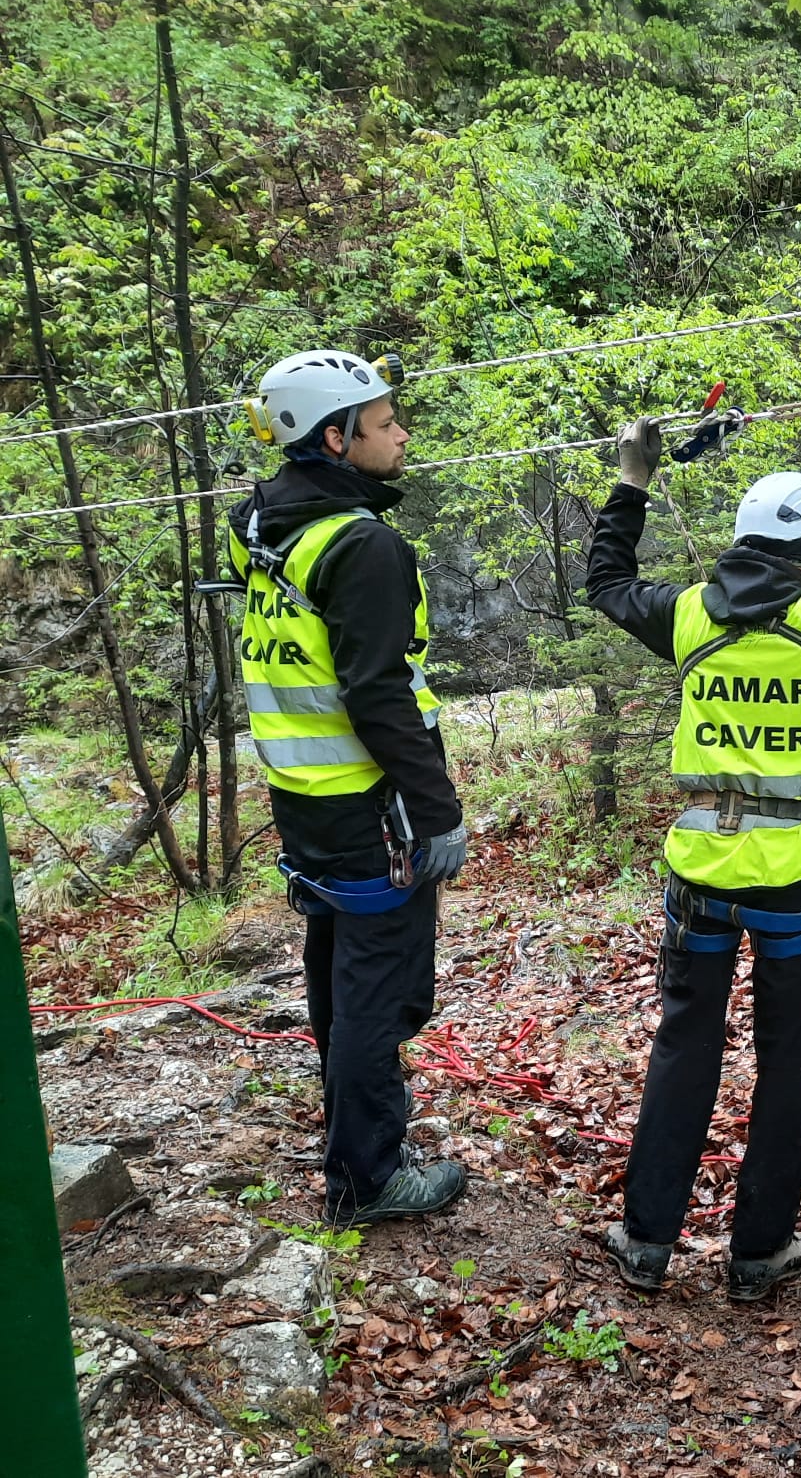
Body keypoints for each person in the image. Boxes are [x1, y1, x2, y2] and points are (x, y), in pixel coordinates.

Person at [585, 402, 801, 1301]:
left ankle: (647, 1240)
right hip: (799, 880)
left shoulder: (689, 613)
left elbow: (608, 580)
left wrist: (632, 479)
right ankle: (759, 1253)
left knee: (684, 1043)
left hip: (700, 867)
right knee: (787, 1059)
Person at [229, 349, 469, 1228]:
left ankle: (356, 1145)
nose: (401, 434)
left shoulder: (266, 524)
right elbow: (378, 692)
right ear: (336, 438)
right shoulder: (361, 545)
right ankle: (367, 1178)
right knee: (381, 989)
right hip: (370, 805)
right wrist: (437, 811)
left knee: (337, 971)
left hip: (303, 797)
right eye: (383, 422)